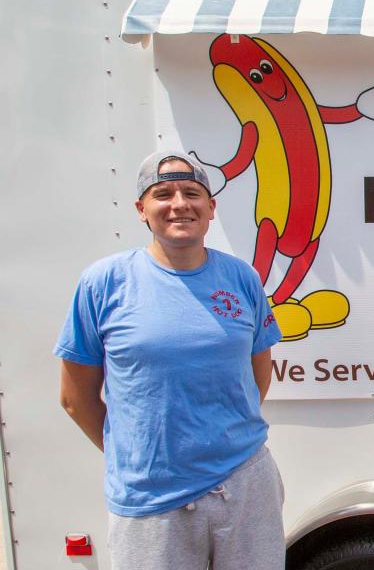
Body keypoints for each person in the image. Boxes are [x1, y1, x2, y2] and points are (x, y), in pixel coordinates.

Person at [55, 151, 284, 569]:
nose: (179, 203)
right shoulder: (104, 283)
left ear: (211, 208)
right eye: (163, 194)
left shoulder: (241, 278)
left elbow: (257, 372)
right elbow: (75, 396)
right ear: (142, 210)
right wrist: (136, 455)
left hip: (246, 483)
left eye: (192, 192)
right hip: (151, 499)